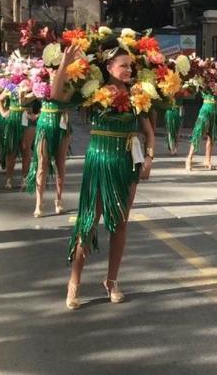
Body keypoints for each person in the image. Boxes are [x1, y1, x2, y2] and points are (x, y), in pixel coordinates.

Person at [53, 39, 154, 310]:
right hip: (100, 161)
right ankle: (74, 283)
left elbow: (149, 132)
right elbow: (56, 95)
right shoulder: (93, 90)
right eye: (123, 66)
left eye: (130, 66)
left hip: (127, 164)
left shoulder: (138, 94)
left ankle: (112, 281)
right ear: (109, 66)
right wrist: (65, 64)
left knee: (121, 223)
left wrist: (148, 160)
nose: (129, 70)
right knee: (88, 222)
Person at [25, 91, 75, 218]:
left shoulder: (70, 83)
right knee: (42, 164)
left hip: (62, 125)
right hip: (44, 124)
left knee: (60, 163)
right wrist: (30, 90)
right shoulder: (42, 77)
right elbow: (24, 101)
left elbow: (71, 103)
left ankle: (58, 200)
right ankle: (38, 203)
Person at [186, 92, 217, 171]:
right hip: (206, 109)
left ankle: (207, 160)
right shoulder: (205, 82)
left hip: (216, 110)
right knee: (198, 133)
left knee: (212, 136)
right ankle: (189, 159)